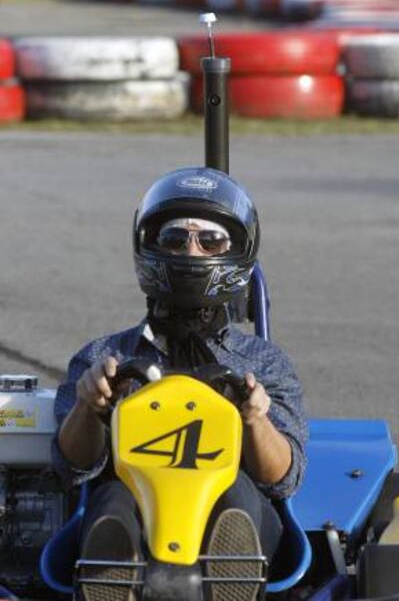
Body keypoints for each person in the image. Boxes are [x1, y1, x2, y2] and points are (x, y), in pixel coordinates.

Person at [52, 167, 308, 601]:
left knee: (237, 498)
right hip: (134, 503)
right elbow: (71, 467)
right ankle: (112, 576)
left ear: (236, 251)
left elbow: (282, 480)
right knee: (113, 501)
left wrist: (254, 419)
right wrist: (88, 406)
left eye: (210, 241)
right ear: (149, 248)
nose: (191, 252)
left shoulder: (262, 363)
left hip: (234, 501)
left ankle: (231, 577)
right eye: (174, 240)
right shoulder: (104, 358)